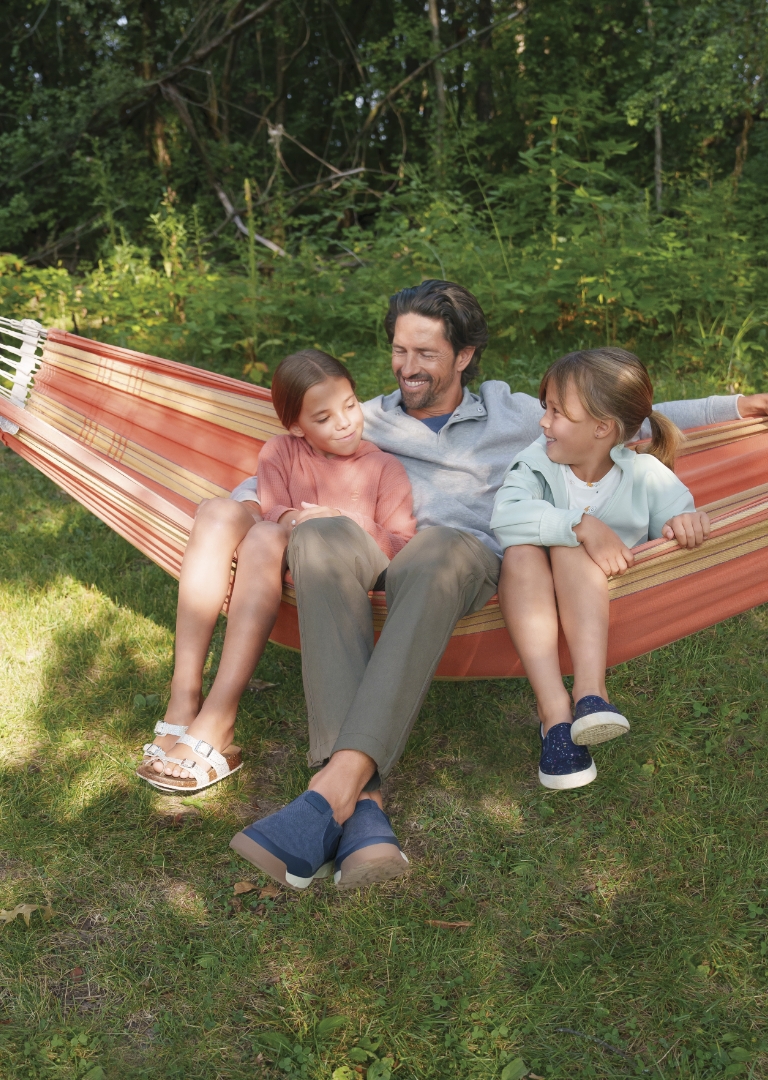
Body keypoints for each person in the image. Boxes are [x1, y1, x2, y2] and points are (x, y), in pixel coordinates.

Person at [229, 279, 768, 891]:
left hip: (461, 566)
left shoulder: (516, 413)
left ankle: (337, 793)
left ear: (463, 356)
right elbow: (272, 482)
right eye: (400, 351)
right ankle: (360, 802)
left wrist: (735, 406)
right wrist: (248, 512)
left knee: (438, 548)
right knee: (319, 540)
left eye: (427, 354)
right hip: (379, 558)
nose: (408, 368)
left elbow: (620, 413)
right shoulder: (359, 417)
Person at [136, 349, 415, 793]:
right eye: (323, 417)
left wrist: (339, 522)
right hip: (273, 562)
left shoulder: (384, 467)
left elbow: (401, 545)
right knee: (216, 513)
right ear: (296, 426)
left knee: (265, 536)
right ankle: (183, 698)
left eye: (349, 406)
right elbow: (272, 509)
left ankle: (219, 716)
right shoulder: (279, 452)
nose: (344, 422)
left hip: (333, 573)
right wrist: (289, 519)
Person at [490, 347, 710, 790]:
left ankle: (591, 695)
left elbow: (679, 517)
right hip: (532, 596)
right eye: (545, 408)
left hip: (611, 598)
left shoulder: (646, 474)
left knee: (567, 546)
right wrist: (581, 524)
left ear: (602, 428)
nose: (543, 422)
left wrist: (686, 520)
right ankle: (555, 714)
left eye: (557, 412)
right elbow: (504, 517)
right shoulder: (535, 464)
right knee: (531, 548)